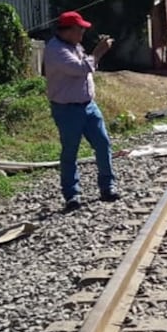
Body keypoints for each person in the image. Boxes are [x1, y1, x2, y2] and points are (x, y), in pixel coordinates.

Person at [43, 11, 120, 211]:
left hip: (88, 105)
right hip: (67, 109)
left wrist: (93, 55)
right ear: (67, 30)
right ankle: (72, 194)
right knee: (70, 152)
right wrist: (98, 52)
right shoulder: (55, 50)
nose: (83, 33)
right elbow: (79, 69)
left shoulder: (75, 46)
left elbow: (86, 68)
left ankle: (108, 185)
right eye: (80, 29)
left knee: (103, 144)